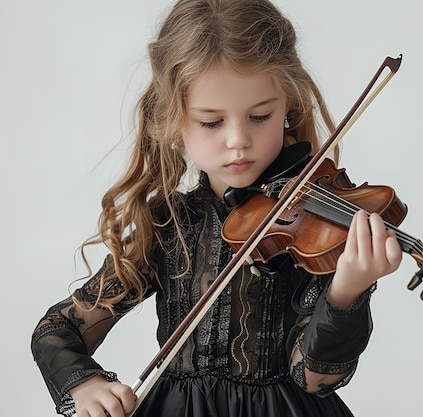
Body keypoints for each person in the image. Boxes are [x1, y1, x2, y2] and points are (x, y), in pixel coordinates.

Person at [31, 1, 402, 416]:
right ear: (173, 119)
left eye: (260, 116)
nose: (238, 140)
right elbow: (57, 328)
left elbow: (313, 378)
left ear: (287, 109)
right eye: (211, 122)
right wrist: (84, 385)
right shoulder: (168, 226)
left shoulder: (313, 231)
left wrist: (346, 293)